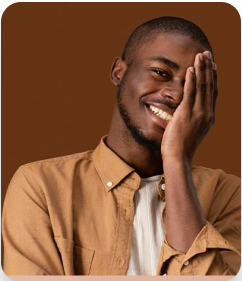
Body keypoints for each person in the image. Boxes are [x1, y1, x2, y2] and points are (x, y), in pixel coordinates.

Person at [2, 16, 241, 276]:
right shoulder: (41, 186)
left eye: (191, 85)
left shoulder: (228, 195)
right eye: (161, 73)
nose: (176, 95)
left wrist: (176, 161)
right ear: (119, 71)